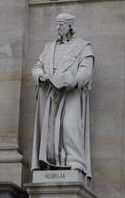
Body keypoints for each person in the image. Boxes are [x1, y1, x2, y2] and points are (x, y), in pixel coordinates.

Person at [31, 13, 94, 179]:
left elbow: (86, 70)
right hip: (51, 93)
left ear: (70, 26)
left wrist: (74, 81)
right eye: (57, 25)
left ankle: (76, 162)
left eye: (61, 25)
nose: (58, 28)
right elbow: (37, 66)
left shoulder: (83, 46)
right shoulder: (49, 47)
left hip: (71, 93)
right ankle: (51, 164)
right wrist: (40, 76)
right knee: (50, 128)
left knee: (70, 125)